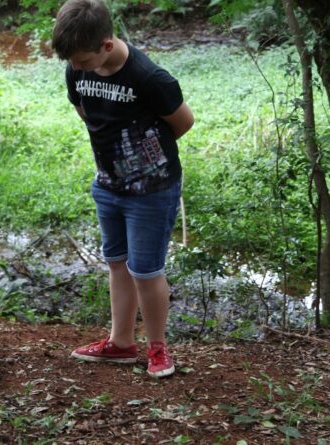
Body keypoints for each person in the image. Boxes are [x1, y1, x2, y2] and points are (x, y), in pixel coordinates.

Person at [52, 0, 194, 378]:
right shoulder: (76, 70)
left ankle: (159, 349)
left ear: (107, 45)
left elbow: (182, 123)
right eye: (73, 63)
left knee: (146, 270)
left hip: (152, 189)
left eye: (83, 61)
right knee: (117, 262)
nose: (77, 68)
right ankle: (121, 343)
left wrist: (145, 161)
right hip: (108, 184)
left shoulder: (149, 78)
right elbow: (87, 113)